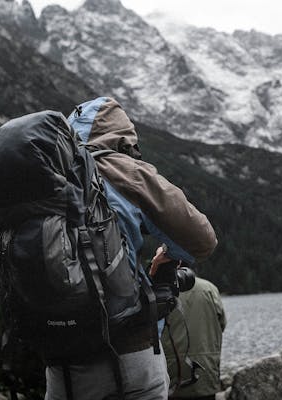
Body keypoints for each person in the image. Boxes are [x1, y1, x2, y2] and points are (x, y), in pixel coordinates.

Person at [44, 97, 218, 400]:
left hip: (60, 360)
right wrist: (168, 258)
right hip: (129, 349)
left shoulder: (46, 174)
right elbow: (202, 239)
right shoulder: (121, 168)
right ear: (122, 138)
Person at [161, 276, 226, 400]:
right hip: (205, 372)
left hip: (172, 375)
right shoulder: (209, 288)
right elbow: (222, 324)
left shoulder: (160, 290)